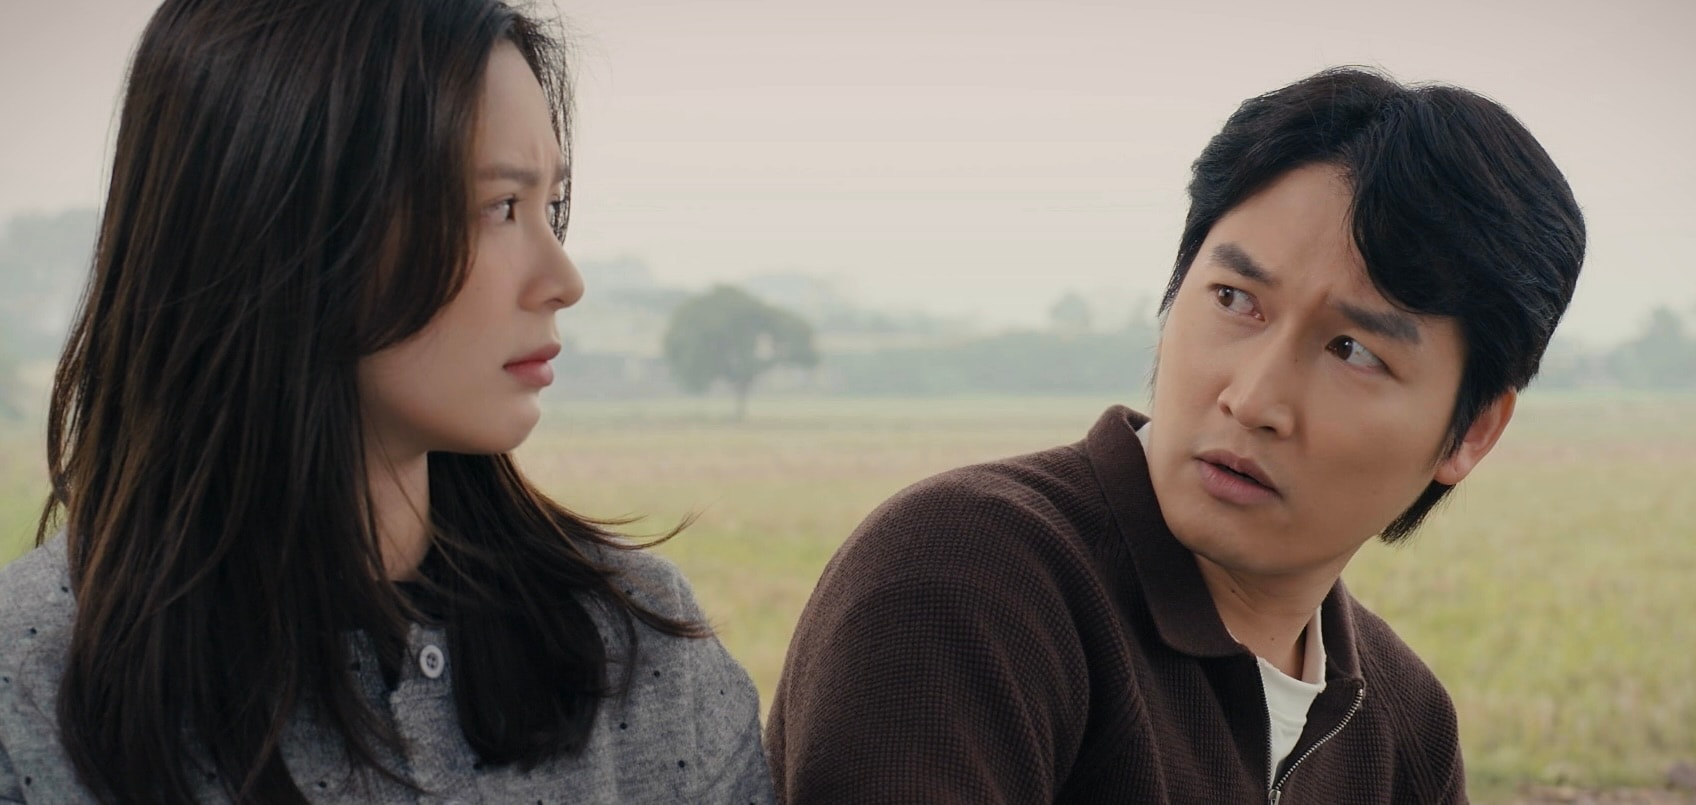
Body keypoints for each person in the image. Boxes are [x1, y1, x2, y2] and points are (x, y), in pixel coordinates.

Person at [0, 0, 774, 801]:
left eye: (551, 207)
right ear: (283, 219)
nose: (563, 280)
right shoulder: (24, 703)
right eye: (500, 208)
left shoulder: (645, 654)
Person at [767, 67, 1584, 803]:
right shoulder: (969, 577)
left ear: (1472, 431)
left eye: (1352, 350)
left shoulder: (1406, 729)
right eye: (1235, 300)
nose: (1253, 398)